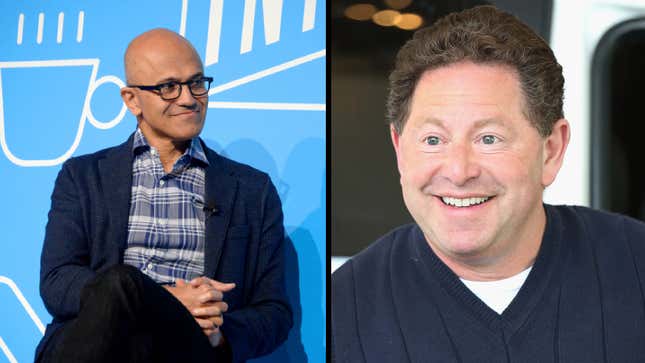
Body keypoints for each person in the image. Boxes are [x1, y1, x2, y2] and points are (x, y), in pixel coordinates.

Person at [332, 5, 645, 362]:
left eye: (489, 138)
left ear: (551, 150)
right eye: (434, 140)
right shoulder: (339, 316)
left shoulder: (637, 271)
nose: (459, 171)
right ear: (401, 150)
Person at [36, 28, 292, 363]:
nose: (189, 99)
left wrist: (219, 334)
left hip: (187, 347)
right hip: (97, 344)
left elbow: (274, 312)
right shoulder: (83, 176)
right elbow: (57, 281)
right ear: (132, 100)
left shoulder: (252, 190)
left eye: (197, 83)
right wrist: (166, 297)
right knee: (119, 283)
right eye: (169, 87)